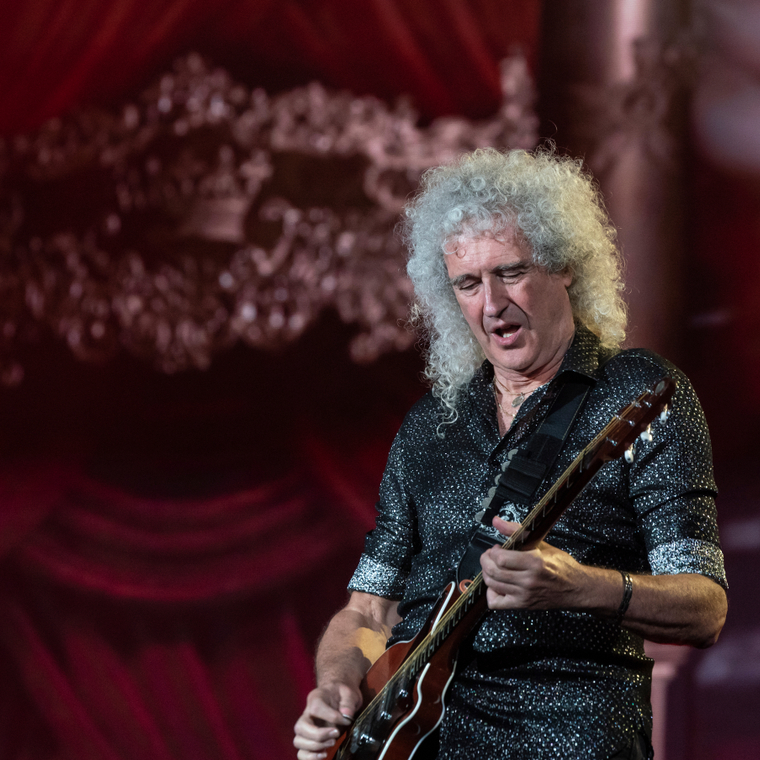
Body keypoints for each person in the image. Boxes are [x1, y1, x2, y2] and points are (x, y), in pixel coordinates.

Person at [293, 148, 728, 760]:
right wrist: (335, 688)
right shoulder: (428, 427)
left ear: (566, 266)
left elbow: (705, 605)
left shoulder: (638, 392)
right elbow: (367, 609)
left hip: (571, 735)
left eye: (512, 272)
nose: (492, 304)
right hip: (420, 744)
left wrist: (578, 586)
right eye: (468, 284)